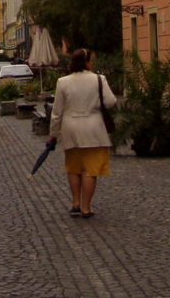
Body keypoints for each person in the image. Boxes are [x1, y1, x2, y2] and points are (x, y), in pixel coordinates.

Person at [48, 48, 116, 219]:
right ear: (87, 62)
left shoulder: (63, 82)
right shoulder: (99, 80)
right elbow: (110, 101)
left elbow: (57, 112)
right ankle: (86, 207)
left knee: (74, 168)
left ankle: (75, 203)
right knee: (90, 170)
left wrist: (53, 134)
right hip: (94, 128)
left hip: (71, 128)